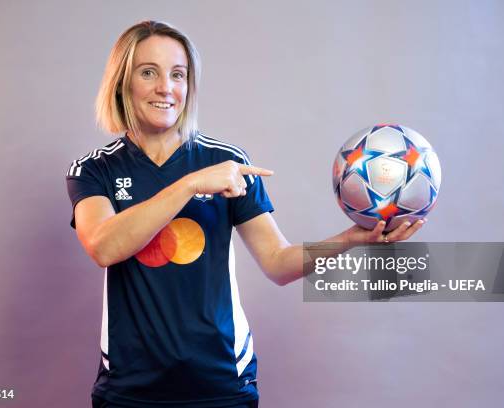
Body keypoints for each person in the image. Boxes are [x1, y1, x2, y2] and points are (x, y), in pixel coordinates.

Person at [66, 20, 424, 408]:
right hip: (128, 389)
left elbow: (277, 262)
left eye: (178, 75)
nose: (165, 88)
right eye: (148, 72)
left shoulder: (226, 162)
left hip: (222, 382)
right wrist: (189, 185)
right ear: (122, 82)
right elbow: (103, 246)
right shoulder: (94, 170)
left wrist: (350, 240)